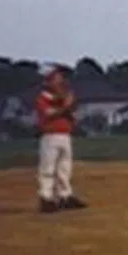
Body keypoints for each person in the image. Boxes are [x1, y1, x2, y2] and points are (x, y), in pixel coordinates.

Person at [35, 65, 87, 214]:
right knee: (48, 168)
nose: (60, 80)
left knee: (64, 168)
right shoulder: (43, 98)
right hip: (50, 136)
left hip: (65, 135)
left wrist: (69, 105)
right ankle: (46, 198)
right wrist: (66, 107)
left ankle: (65, 195)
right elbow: (50, 113)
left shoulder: (63, 96)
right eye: (57, 77)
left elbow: (73, 113)